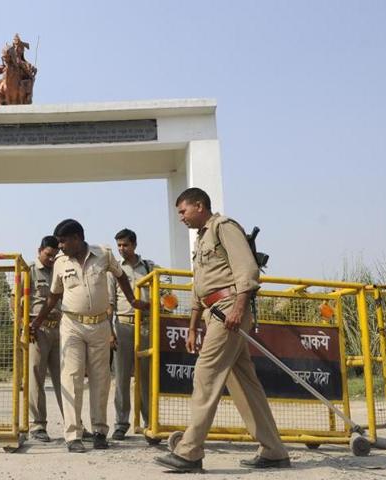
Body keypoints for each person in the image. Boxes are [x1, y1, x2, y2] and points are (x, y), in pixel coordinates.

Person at [155, 188, 290, 473]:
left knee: (206, 373)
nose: (180, 217)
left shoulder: (224, 227)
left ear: (199, 205)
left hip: (229, 308)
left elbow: (247, 270)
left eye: (183, 211)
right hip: (213, 311)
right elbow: (199, 288)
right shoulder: (202, 238)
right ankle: (274, 450)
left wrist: (239, 309)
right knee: (244, 384)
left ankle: (190, 451)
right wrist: (192, 327)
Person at [31, 219, 148, 453]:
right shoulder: (61, 263)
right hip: (72, 325)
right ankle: (73, 435)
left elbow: (121, 277)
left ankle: (99, 432)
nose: (60, 246)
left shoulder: (103, 254)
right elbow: (54, 296)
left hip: (100, 326)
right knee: (71, 377)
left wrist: (133, 300)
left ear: (77, 238)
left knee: (100, 379)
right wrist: (38, 320)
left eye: (63, 241)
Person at [108, 228, 156, 440]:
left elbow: (166, 295)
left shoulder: (150, 268)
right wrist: (110, 331)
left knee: (146, 378)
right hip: (124, 326)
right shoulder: (115, 270)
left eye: (125, 245)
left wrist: (155, 304)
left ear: (134, 245)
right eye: (118, 245)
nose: (121, 249)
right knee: (121, 378)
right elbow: (109, 303)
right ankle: (121, 423)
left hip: (146, 326)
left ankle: (149, 424)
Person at [25, 236, 64, 442]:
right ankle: (38, 425)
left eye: (55, 255)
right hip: (36, 331)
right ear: (39, 250)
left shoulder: (60, 270)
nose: (51, 259)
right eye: (48, 255)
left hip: (59, 330)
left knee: (65, 379)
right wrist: (24, 328)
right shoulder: (29, 271)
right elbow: (16, 302)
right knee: (35, 378)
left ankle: (74, 426)